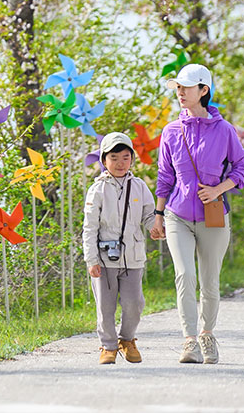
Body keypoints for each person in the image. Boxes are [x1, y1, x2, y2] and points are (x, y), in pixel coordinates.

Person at [150, 63, 244, 364]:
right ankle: (189, 341)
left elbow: (243, 167)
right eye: (177, 87)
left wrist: (219, 189)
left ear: (204, 90)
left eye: (186, 86)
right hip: (177, 214)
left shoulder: (224, 130)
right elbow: (164, 177)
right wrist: (157, 214)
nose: (180, 92)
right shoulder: (170, 131)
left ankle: (207, 335)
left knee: (209, 281)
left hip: (213, 217)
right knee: (185, 274)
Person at [82, 131, 157, 364]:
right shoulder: (97, 190)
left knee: (135, 303)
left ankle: (127, 339)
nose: (120, 163)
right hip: (105, 258)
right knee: (105, 306)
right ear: (104, 160)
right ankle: (108, 346)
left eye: (125, 157)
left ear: (132, 159)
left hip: (133, 256)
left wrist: (157, 227)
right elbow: (90, 227)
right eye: (114, 157)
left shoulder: (140, 186)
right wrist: (91, 259)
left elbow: (149, 216)